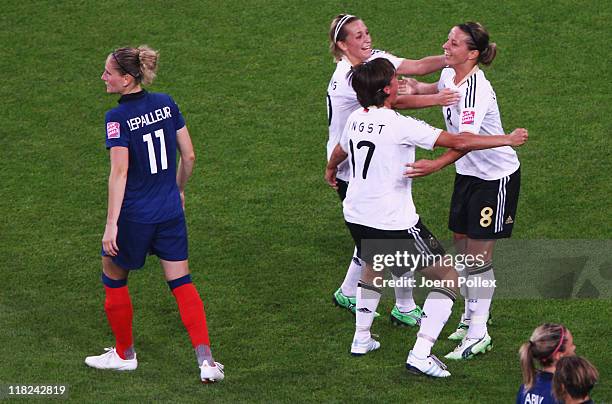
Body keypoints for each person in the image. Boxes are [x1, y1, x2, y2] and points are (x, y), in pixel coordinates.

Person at [325, 58, 528, 377]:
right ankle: (421, 354)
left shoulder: (354, 119)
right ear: (387, 89)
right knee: (448, 276)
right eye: (396, 79)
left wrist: (329, 169)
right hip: (393, 220)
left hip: (355, 212)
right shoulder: (401, 125)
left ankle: (361, 338)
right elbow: (460, 141)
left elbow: (339, 152)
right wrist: (507, 139)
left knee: (373, 264)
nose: (400, 82)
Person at [85, 46, 224, 383]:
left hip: (135, 215)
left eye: (109, 73)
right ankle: (206, 361)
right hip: (169, 212)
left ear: (127, 79)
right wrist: (177, 190)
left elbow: (119, 173)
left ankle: (123, 354)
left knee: (113, 274)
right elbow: (189, 156)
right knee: (182, 283)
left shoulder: (116, 118)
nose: (103, 77)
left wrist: (110, 225)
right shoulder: (166, 102)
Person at [327, 13, 461, 327]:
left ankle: (353, 296)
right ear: (342, 44)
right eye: (358, 37)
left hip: (362, 154)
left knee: (376, 242)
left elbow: (415, 66)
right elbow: (394, 102)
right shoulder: (348, 77)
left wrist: (449, 58)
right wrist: (436, 97)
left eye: (367, 32)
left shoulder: (372, 61)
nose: (367, 40)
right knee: (388, 236)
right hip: (353, 164)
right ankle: (401, 306)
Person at [404, 22, 521, 360]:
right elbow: (438, 89)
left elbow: (466, 141)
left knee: (478, 258)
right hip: (468, 175)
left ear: (472, 54)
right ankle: (470, 315)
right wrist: (416, 87)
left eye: (453, 44)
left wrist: (435, 164)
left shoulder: (476, 90)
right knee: (461, 245)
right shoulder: (451, 73)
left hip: (495, 178)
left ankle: (478, 332)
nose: (445, 46)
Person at [516, 323, 576, 404]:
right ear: (558, 355)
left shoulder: (525, 388)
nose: (574, 347)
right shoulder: (563, 393)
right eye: (571, 345)